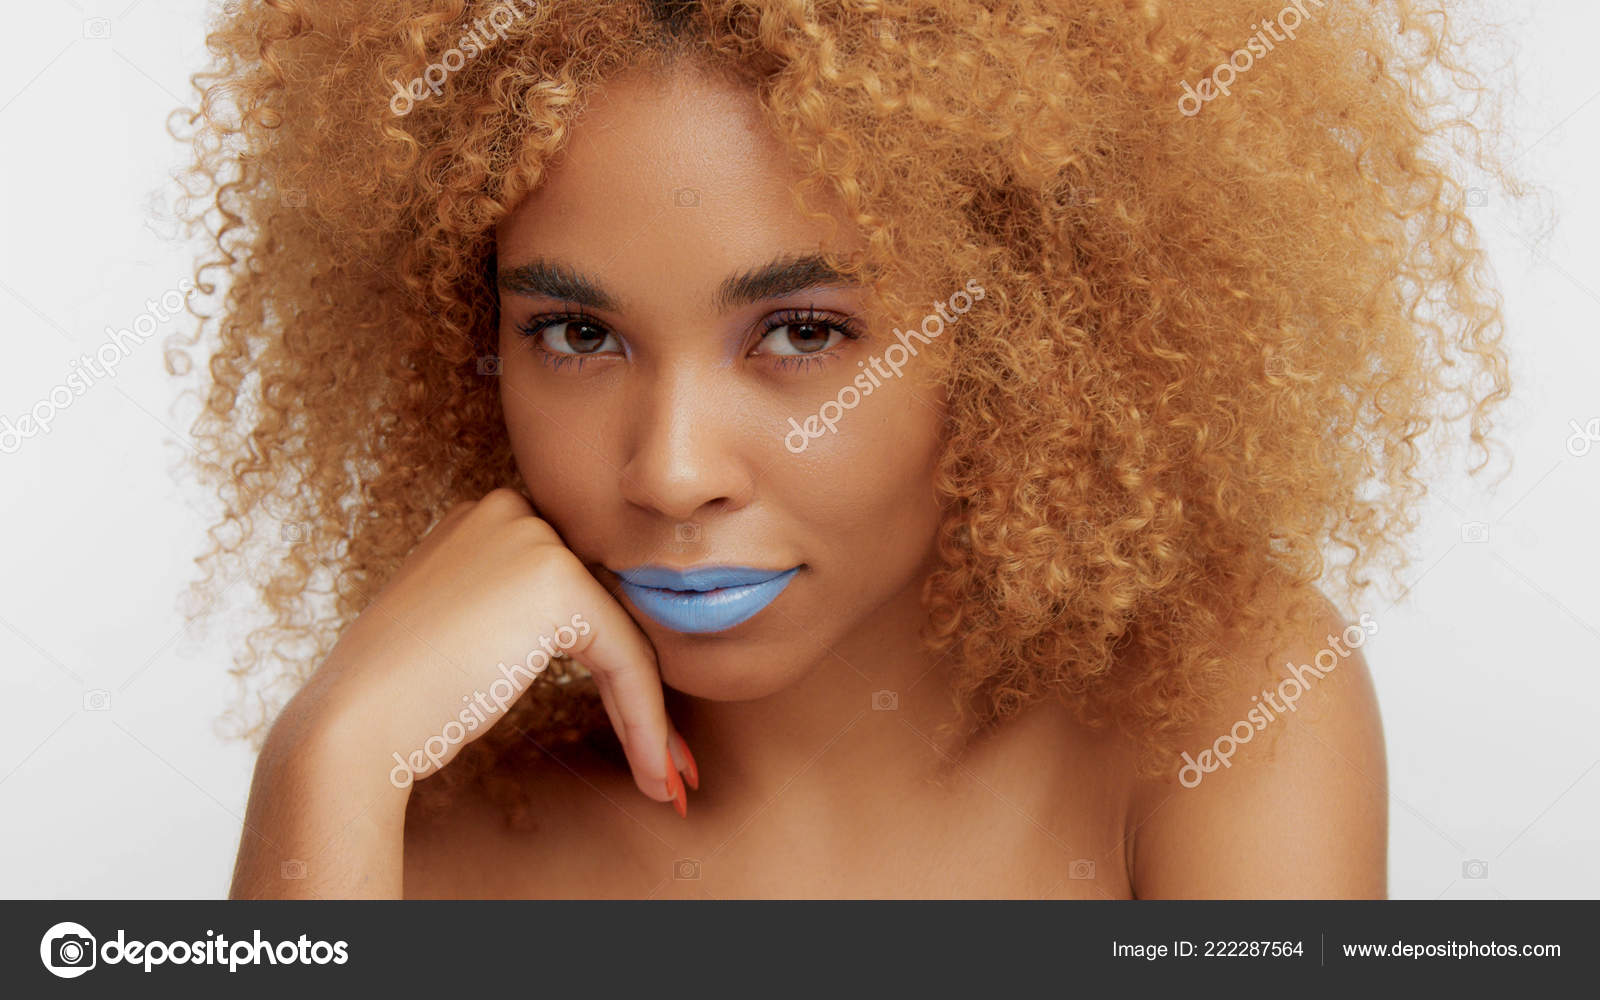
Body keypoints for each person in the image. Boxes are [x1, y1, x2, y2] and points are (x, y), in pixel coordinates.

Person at [173, 0, 1518, 898]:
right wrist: (330, 762)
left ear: (1032, 335)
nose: (669, 470)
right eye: (580, 336)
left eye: (803, 330)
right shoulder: (414, 810)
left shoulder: (1209, 710)